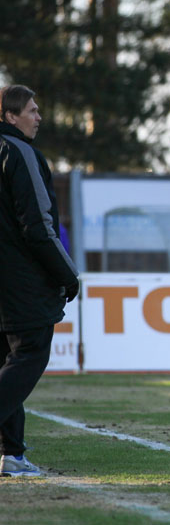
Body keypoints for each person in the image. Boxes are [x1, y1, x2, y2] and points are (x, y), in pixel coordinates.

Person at [0, 85, 79, 477]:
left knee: (6, 363)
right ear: (10, 117)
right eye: (31, 110)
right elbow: (39, 226)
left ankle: (11, 455)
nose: (38, 117)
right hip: (20, 283)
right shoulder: (19, 152)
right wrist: (67, 275)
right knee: (30, 353)